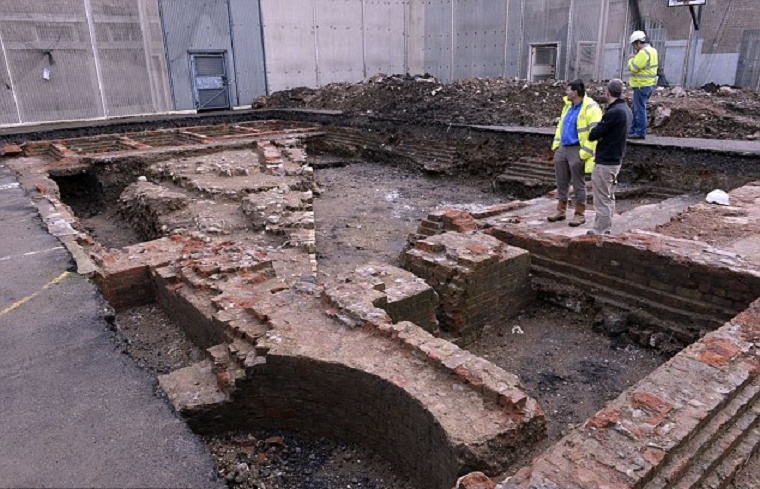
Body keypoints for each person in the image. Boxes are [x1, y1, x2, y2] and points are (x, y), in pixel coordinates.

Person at [548, 79, 602, 226]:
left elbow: (595, 132)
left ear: (575, 92)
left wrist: (585, 152)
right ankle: (561, 210)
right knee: (561, 181)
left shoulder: (590, 108)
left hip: (577, 149)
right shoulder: (568, 106)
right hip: (563, 147)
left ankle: (579, 213)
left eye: (568, 90)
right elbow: (561, 126)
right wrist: (557, 145)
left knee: (578, 183)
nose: (566, 92)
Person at [586, 79, 633, 235]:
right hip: (616, 159)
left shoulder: (614, 112)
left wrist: (597, 129)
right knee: (609, 196)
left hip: (606, 161)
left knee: (602, 199)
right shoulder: (626, 109)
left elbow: (593, 135)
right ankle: (606, 228)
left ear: (607, 92)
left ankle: (601, 230)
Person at [627, 30, 658, 139]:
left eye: (635, 44)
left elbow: (634, 68)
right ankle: (633, 129)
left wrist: (631, 59)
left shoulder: (643, 53)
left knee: (639, 109)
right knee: (637, 108)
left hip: (641, 85)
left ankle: (639, 132)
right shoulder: (653, 51)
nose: (635, 47)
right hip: (648, 85)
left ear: (638, 42)